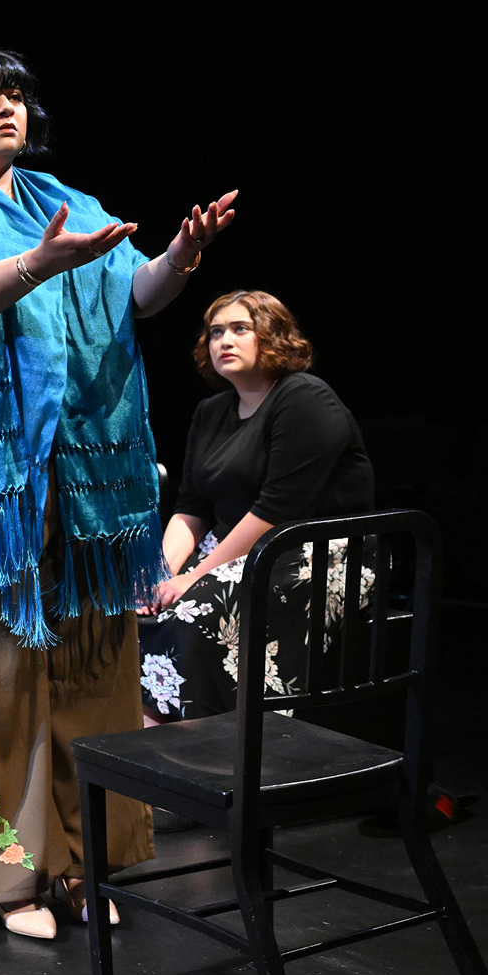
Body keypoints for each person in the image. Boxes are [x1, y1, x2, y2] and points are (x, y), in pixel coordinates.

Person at [0, 46, 237, 937]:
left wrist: (182, 255)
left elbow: (135, 292)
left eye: (16, 96)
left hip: (80, 451)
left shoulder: (61, 201)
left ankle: (84, 861)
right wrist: (37, 265)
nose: (9, 110)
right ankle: (10, 875)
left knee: (89, 650)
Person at [137, 291, 374, 721]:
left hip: (312, 552)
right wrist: (162, 573)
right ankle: (146, 741)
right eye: (215, 332)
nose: (224, 340)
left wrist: (194, 577)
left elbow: (276, 512)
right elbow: (192, 506)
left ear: (273, 336)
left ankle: (202, 741)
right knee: (134, 609)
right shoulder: (211, 411)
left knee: (191, 615)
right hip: (234, 548)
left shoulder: (304, 398)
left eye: (240, 329)